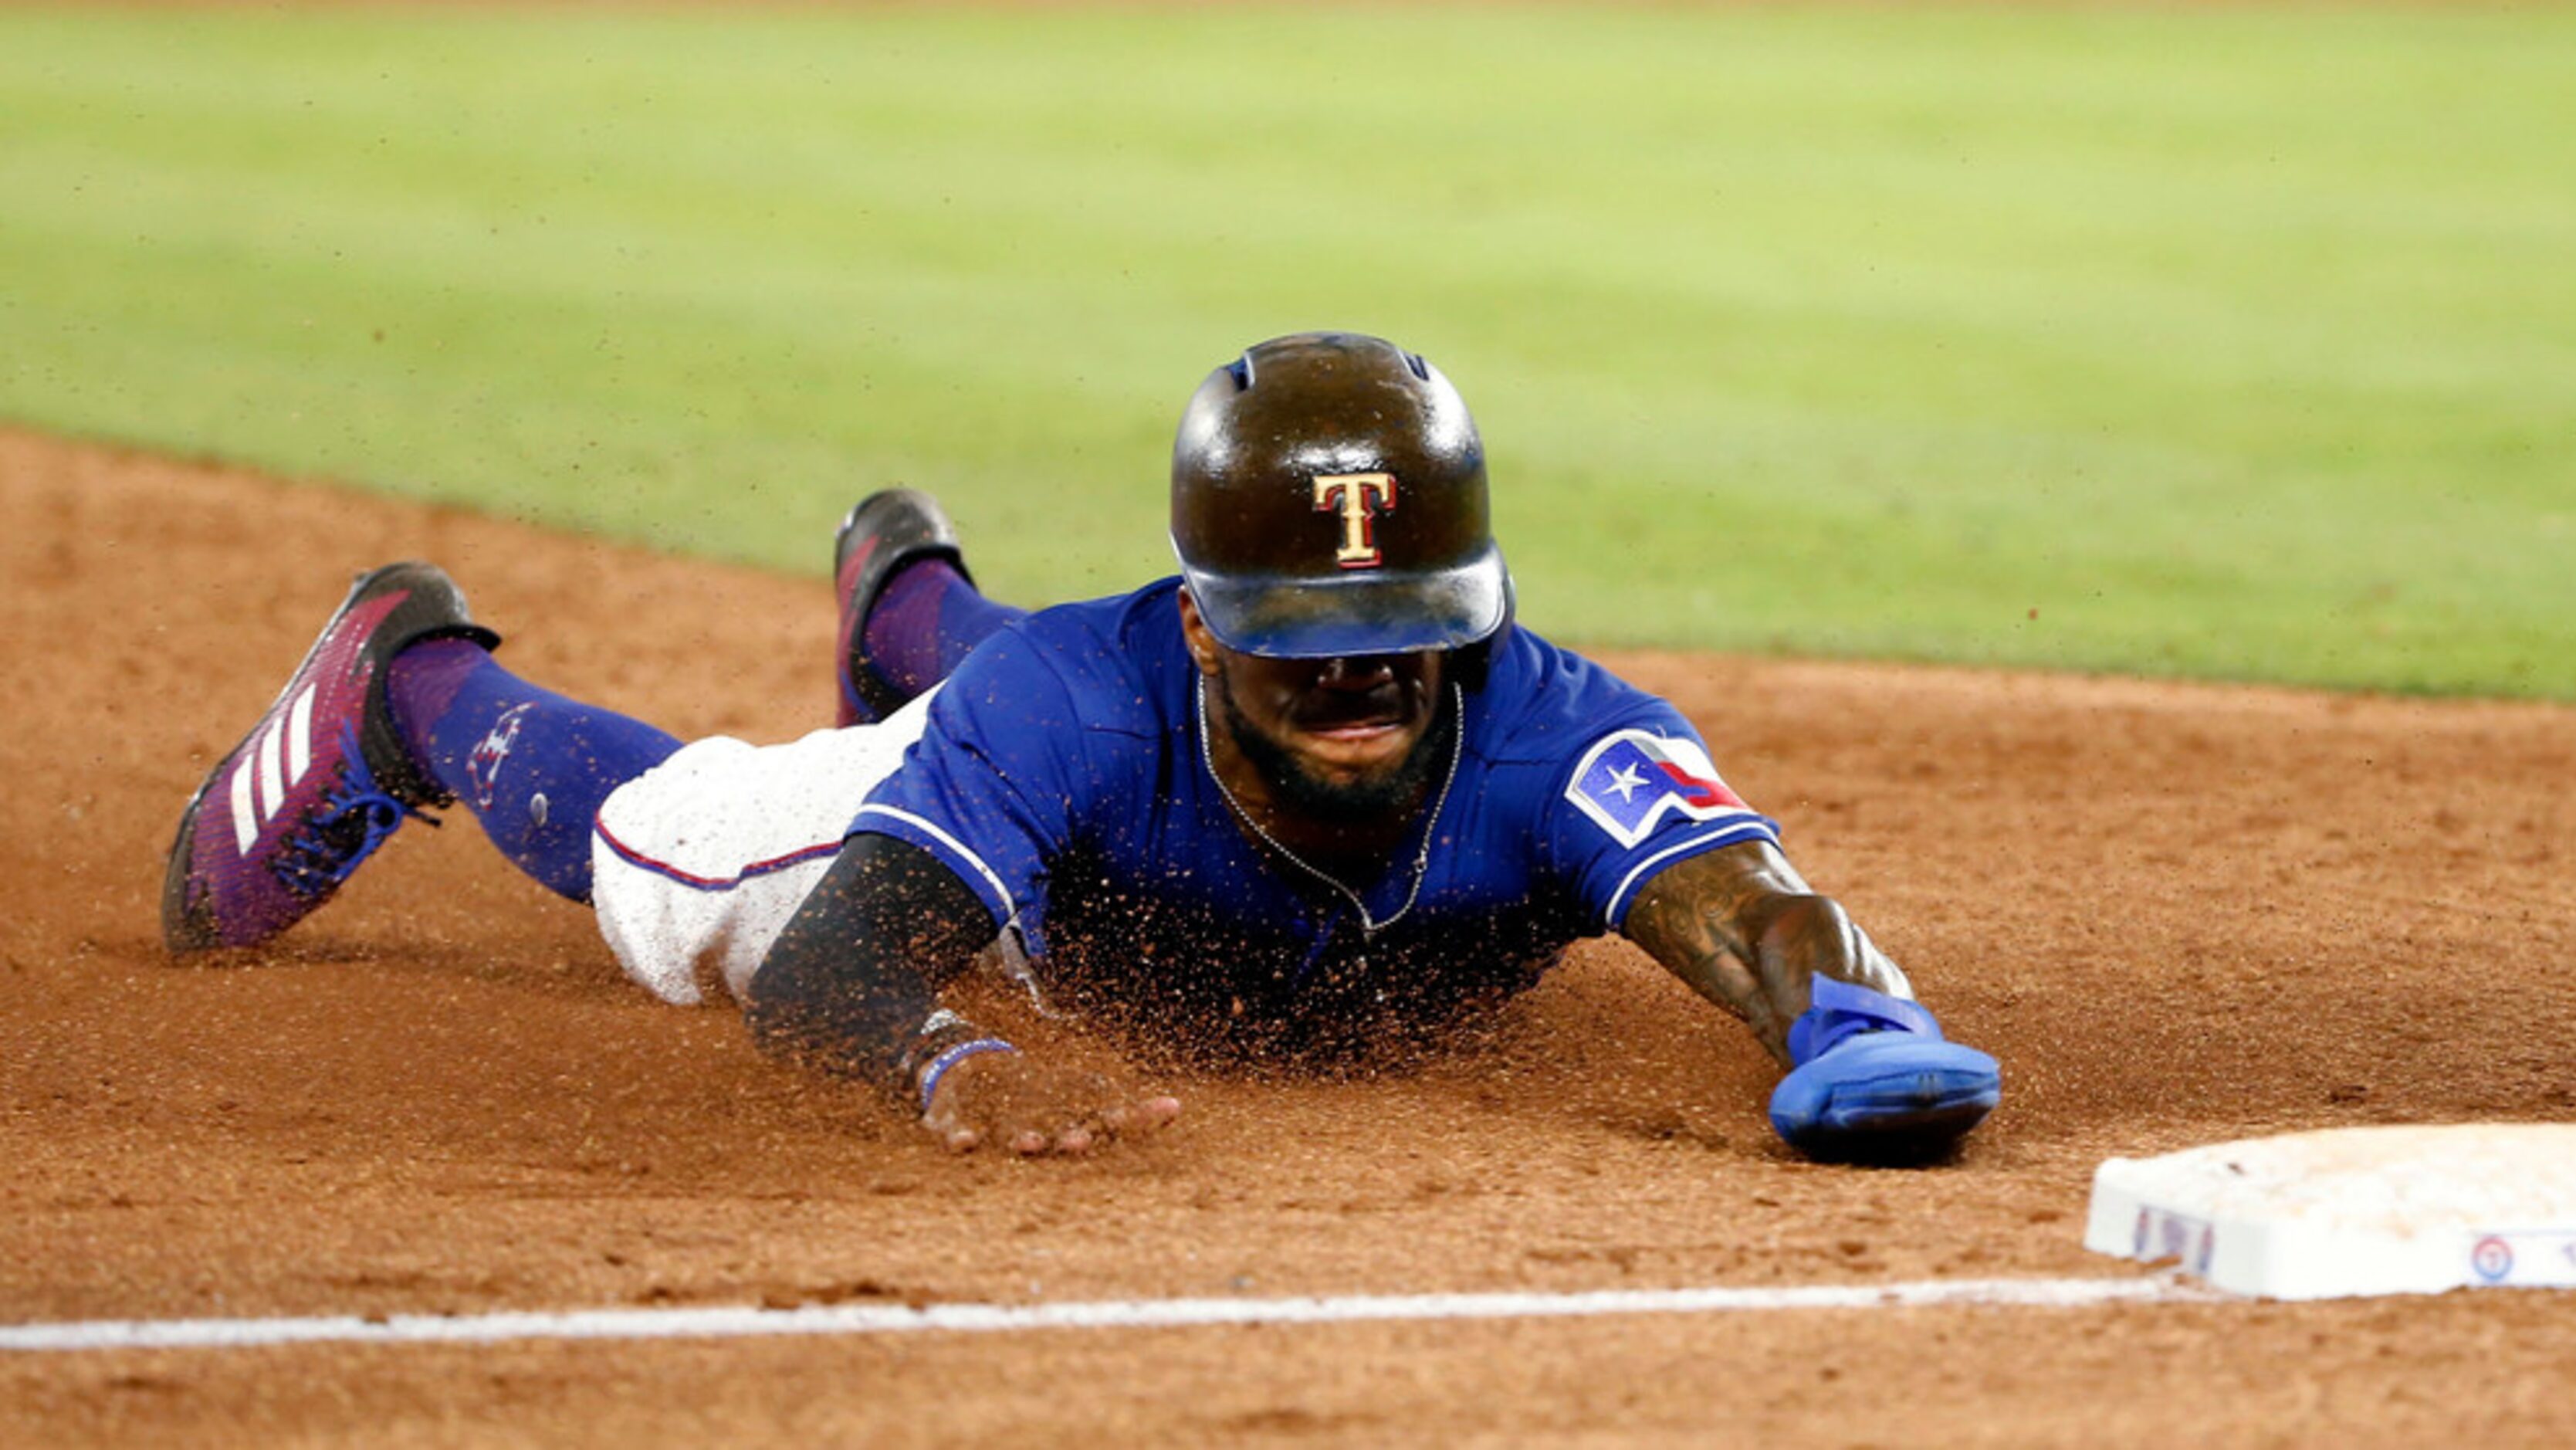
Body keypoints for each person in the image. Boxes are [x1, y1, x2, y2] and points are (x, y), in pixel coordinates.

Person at [163, 331, 1999, 1164]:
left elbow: (1750, 901)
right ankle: (409, 690)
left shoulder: (1565, 731)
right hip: (1028, 833)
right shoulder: (1079, 705)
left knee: (1024, 697)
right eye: (1306, 640)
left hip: (1072, 725)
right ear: (1203, 616)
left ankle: (907, 612)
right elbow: (827, 978)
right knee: (672, 857)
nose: (1365, 676)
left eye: (1405, 636)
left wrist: (1844, 1024)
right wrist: (955, 1063)